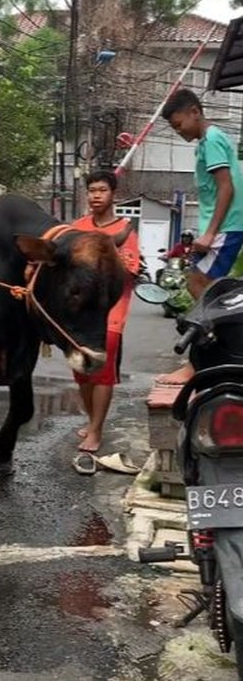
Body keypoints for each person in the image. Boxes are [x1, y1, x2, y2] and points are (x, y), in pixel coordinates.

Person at [156, 88, 243, 384]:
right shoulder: (205, 143)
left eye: (179, 124)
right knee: (208, 290)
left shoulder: (214, 140)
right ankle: (211, 355)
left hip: (227, 227)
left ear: (195, 112)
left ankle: (200, 362)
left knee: (200, 288)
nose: (178, 131)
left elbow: (226, 188)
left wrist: (210, 233)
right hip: (224, 227)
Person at [72, 169, 140, 452]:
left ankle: (96, 430)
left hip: (111, 307)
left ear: (113, 195)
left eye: (102, 190)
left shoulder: (125, 230)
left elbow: (129, 271)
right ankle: (92, 421)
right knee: (80, 367)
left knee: (101, 367)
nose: (96, 196)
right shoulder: (77, 227)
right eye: (92, 191)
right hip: (79, 309)